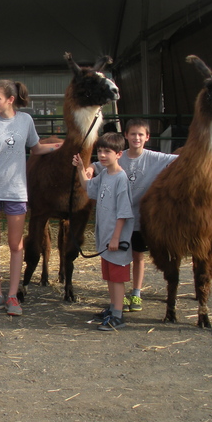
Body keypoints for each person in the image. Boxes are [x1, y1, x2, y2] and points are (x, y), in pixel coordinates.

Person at [0, 80, 60, 316]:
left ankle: (12, 295)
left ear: (11, 99)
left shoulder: (25, 121)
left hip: (16, 192)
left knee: (15, 244)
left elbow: (36, 148)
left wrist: (61, 146)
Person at [93, 120, 176, 312]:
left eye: (140, 135)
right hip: (119, 220)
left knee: (138, 255)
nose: (136, 138)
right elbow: (99, 165)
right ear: (126, 136)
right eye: (132, 134)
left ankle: (136, 293)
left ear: (147, 137)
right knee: (117, 257)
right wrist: (89, 169)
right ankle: (117, 301)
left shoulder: (156, 158)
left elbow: (179, 159)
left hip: (139, 218)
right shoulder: (119, 157)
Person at [72, 132, 134, 331]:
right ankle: (113, 308)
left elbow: (124, 212)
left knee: (117, 278)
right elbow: (88, 187)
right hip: (105, 238)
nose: (102, 155)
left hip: (115, 240)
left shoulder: (121, 179)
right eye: (100, 151)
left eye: (107, 151)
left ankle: (118, 315)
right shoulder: (105, 175)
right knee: (109, 276)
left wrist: (116, 237)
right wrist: (81, 168)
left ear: (119, 154)